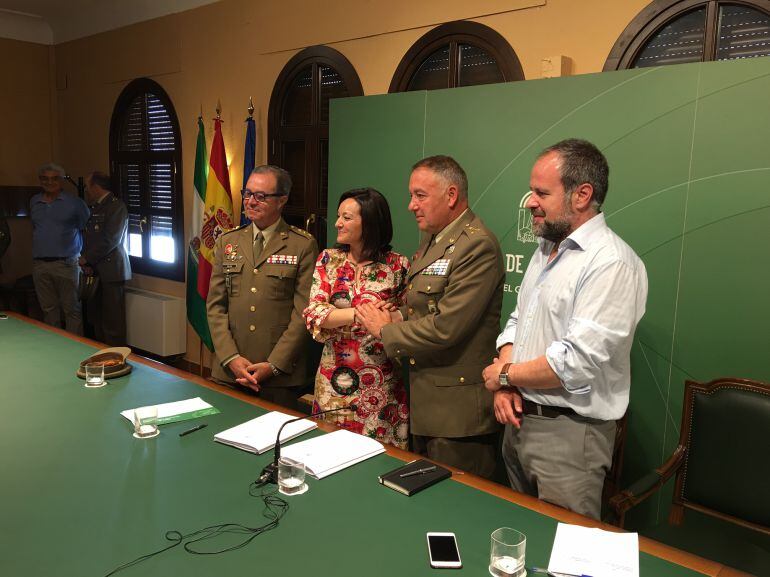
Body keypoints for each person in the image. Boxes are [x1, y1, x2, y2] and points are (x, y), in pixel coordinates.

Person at [481, 139, 648, 520]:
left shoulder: (612, 263)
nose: (529, 202)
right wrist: (508, 384)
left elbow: (576, 362)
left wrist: (502, 374)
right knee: (521, 537)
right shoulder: (545, 249)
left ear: (582, 195)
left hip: (570, 437)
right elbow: (518, 322)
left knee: (565, 553)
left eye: (541, 192)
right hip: (520, 421)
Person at [356, 156, 504, 477]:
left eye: (420, 195)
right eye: (412, 195)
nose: (411, 205)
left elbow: (447, 327)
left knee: (458, 513)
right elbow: (421, 307)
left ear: (451, 196)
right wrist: (395, 315)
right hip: (426, 404)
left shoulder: (476, 246)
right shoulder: (433, 239)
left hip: (458, 418)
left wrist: (387, 331)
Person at [303, 188, 410, 448]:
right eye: (339, 216)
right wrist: (361, 314)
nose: (338, 223)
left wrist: (390, 316)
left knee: (380, 460)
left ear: (371, 221)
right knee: (327, 454)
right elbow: (314, 313)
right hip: (332, 381)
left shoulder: (398, 266)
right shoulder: (328, 260)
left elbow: (406, 319)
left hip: (380, 386)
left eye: (347, 217)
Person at [207, 165, 318, 410]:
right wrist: (231, 358)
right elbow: (215, 307)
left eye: (261, 196)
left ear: (282, 200)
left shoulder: (302, 245)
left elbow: (303, 313)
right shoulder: (228, 241)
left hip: (278, 376)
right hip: (230, 371)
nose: (251, 202)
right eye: (247, 194)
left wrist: (274, 364)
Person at [30, 163, 90, 334]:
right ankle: (54, 349)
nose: (49, 182)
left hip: (67, 264)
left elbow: (88, 229)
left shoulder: (75, 203)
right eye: (45, 178)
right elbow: (36, 228)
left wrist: (85, 258)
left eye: (54, 178)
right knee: (49, 310)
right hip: (40, 264)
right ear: (40, 180)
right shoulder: (34, 201)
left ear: (62, 180)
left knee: (72, 310)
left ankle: (74, 349)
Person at [79, 171, 131, 345]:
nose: (87, 190)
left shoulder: (116, 206)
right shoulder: (95, 207)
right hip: (95, 270)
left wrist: (87, 258)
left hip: (112, 271)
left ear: (96, 187)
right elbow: (90, 237)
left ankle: (116, 358)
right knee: (97, 319)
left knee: (112, 322)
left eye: (88, 186)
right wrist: (87, 261)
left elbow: (110, 240)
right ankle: (101, 355)